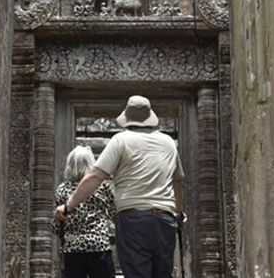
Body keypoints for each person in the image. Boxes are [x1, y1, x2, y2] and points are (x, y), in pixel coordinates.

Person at [55, 95, 185, 278]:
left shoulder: (120, 140)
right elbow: (177, 182)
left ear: (128, 118)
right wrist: (179, 213)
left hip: (133, 221)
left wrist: (69, 206)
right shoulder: (169, 143)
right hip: (164, 220)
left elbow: (95, 176)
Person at [53, 145, 117, 278]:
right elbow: (114, 213)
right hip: (99, 246)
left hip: (73, 249)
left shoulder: (62, 190)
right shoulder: (101, 186)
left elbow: (56, 226)